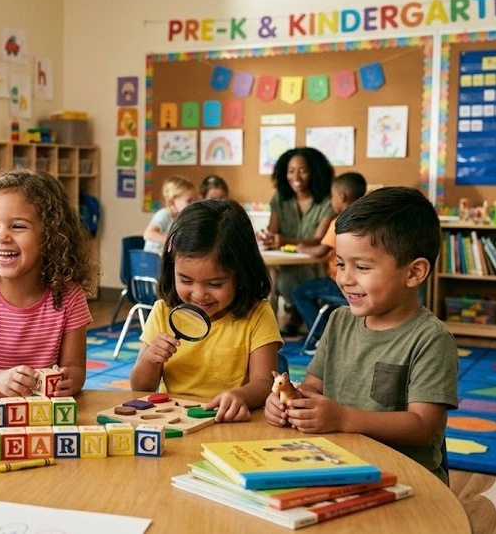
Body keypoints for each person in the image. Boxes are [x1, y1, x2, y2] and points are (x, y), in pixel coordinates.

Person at [264, 187, 458, 484]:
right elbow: (313, 387)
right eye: (341, 264)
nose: (344, 278)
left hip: (405, 479)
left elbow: (423, 426)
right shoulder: (339, 320)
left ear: (414, 273)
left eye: (362, 267)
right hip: (337, 465)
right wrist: (291, 403)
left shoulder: (431, 339)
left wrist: (343, 418)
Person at [0, 168, 96, 399]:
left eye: (18, 226)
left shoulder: (70, 296)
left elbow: (75, 369)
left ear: (50, 235)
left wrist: (69, 381)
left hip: (44, 413)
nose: (2, 237)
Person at [130, 200, 283, 422]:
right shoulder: (163, 312)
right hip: (175, 421)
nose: (199, 295)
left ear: (242, 274)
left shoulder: (257, 314)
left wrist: (241, 396)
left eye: (215, 284)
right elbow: (140, 387)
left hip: (229, 422)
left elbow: (265, 383)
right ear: (172, 268)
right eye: (186, 280)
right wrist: (150, 359)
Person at [257, 147, 336, 334]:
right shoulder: (280, 198)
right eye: (291, 171)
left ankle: (296, 314)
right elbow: (272, 231)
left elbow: (319, 239)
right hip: (285, 263)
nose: (296, 177)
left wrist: (284, 241)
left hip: (314, 264)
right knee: (279, 279)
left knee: (286, 280)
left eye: (303, 171)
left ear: (315, 172)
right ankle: (290, 316)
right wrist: (267, 238)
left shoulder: (327, 201)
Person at [291, 172, 368, 333]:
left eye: (332, 196)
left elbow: (321, 251)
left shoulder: (340, 222)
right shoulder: (367, 221)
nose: (331, 201)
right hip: (362, 282)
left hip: (338, 283)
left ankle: (320, 335)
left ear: (342, 197)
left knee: (299, 292)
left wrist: (302, 248)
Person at [143, 175, 200, 255]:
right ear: (172, 201)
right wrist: (173, 242)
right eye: (189, 201)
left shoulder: (183, 218)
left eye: (196, 200)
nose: (193, 204)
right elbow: (148, 234)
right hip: (153, 258)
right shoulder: (164, 214)